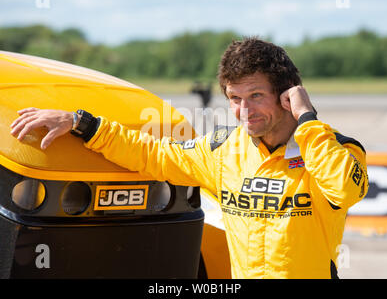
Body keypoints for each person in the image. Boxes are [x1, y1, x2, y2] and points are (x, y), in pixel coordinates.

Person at [10, 37, 368, 279]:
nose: (244, 110)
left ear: (288, 95)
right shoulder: (222, 151)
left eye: (256, 95)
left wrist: (308, 120)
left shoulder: (333, 148)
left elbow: (344, 191)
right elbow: (150, 153)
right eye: (234, 98)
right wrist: (80, 123)